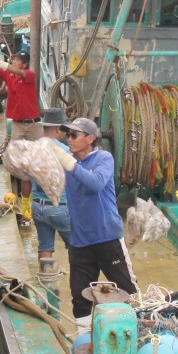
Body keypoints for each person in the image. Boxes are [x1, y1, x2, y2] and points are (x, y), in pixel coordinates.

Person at [48, 117, 137, 326]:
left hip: (108, 240)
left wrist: (69, 164)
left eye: (74, 135)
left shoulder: (104, 158)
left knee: (128, 293)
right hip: (79, 243)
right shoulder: (69, 165)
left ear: (90, 139)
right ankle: (84, 344)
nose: (69, 139)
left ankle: (138, 335)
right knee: (80, 299)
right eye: (66, 135)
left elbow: (95, 184)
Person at [0, 50, 40, 220]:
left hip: (34, 125)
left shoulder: (29, 75)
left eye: (17, 60)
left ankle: (39, 199)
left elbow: (17, 72)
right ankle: (26, 205)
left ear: (25, 64)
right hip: (18, 125)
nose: (13, 62)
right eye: (12, 60)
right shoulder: (9, 76)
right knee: (23, 169)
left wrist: (3, 64)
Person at [32, 107, 72, 273]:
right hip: (59, 207)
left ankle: (47, 281)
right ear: (57, 128)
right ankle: (79, 279)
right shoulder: (65, 151)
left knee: (45, 246)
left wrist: (26, 204)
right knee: (78, 246)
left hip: (37, 206)